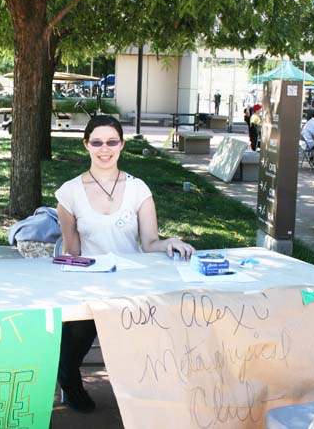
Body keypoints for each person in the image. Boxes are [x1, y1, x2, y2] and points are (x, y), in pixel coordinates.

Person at [55, 115, 195, 413]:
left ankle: (140, 394)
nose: (104, 149)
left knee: (142, 343)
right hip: (90, 280)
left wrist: (170, 242)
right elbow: (72, 250)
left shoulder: (138, 189)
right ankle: (69, 380)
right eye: (97, 142)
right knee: (77, 337)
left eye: (111, 142)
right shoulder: (69, 192)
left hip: (131, 282)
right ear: (86, 145)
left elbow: (149, 243)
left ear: (122, 145)